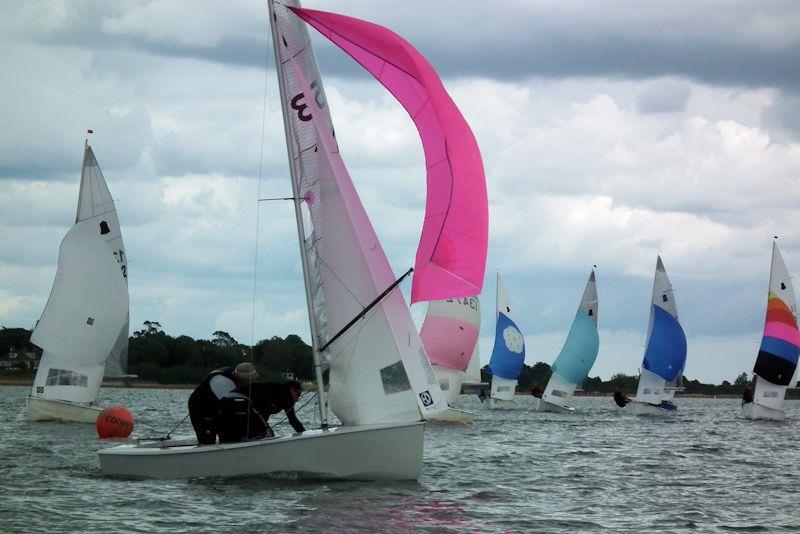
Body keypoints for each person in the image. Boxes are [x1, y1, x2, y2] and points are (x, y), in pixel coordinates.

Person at [187, 362, 259, 445]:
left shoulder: (234, 376)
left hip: (218, 406)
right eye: (247, 379)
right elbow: (232, 406)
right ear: (239, 376)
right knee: (207, 436)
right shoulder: (223, 382)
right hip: (201, 409)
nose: (250, 382)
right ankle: (206, 450)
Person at [217, 380, 305, 443]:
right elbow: (260, 409)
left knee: (264, 432)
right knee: (267, 434)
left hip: (246, 407)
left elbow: (292, 419)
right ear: (291, 389)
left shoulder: (289, 401)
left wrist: (304, 435)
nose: (298, 398)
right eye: (298, 394)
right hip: (237, 400)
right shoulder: (275, 390)